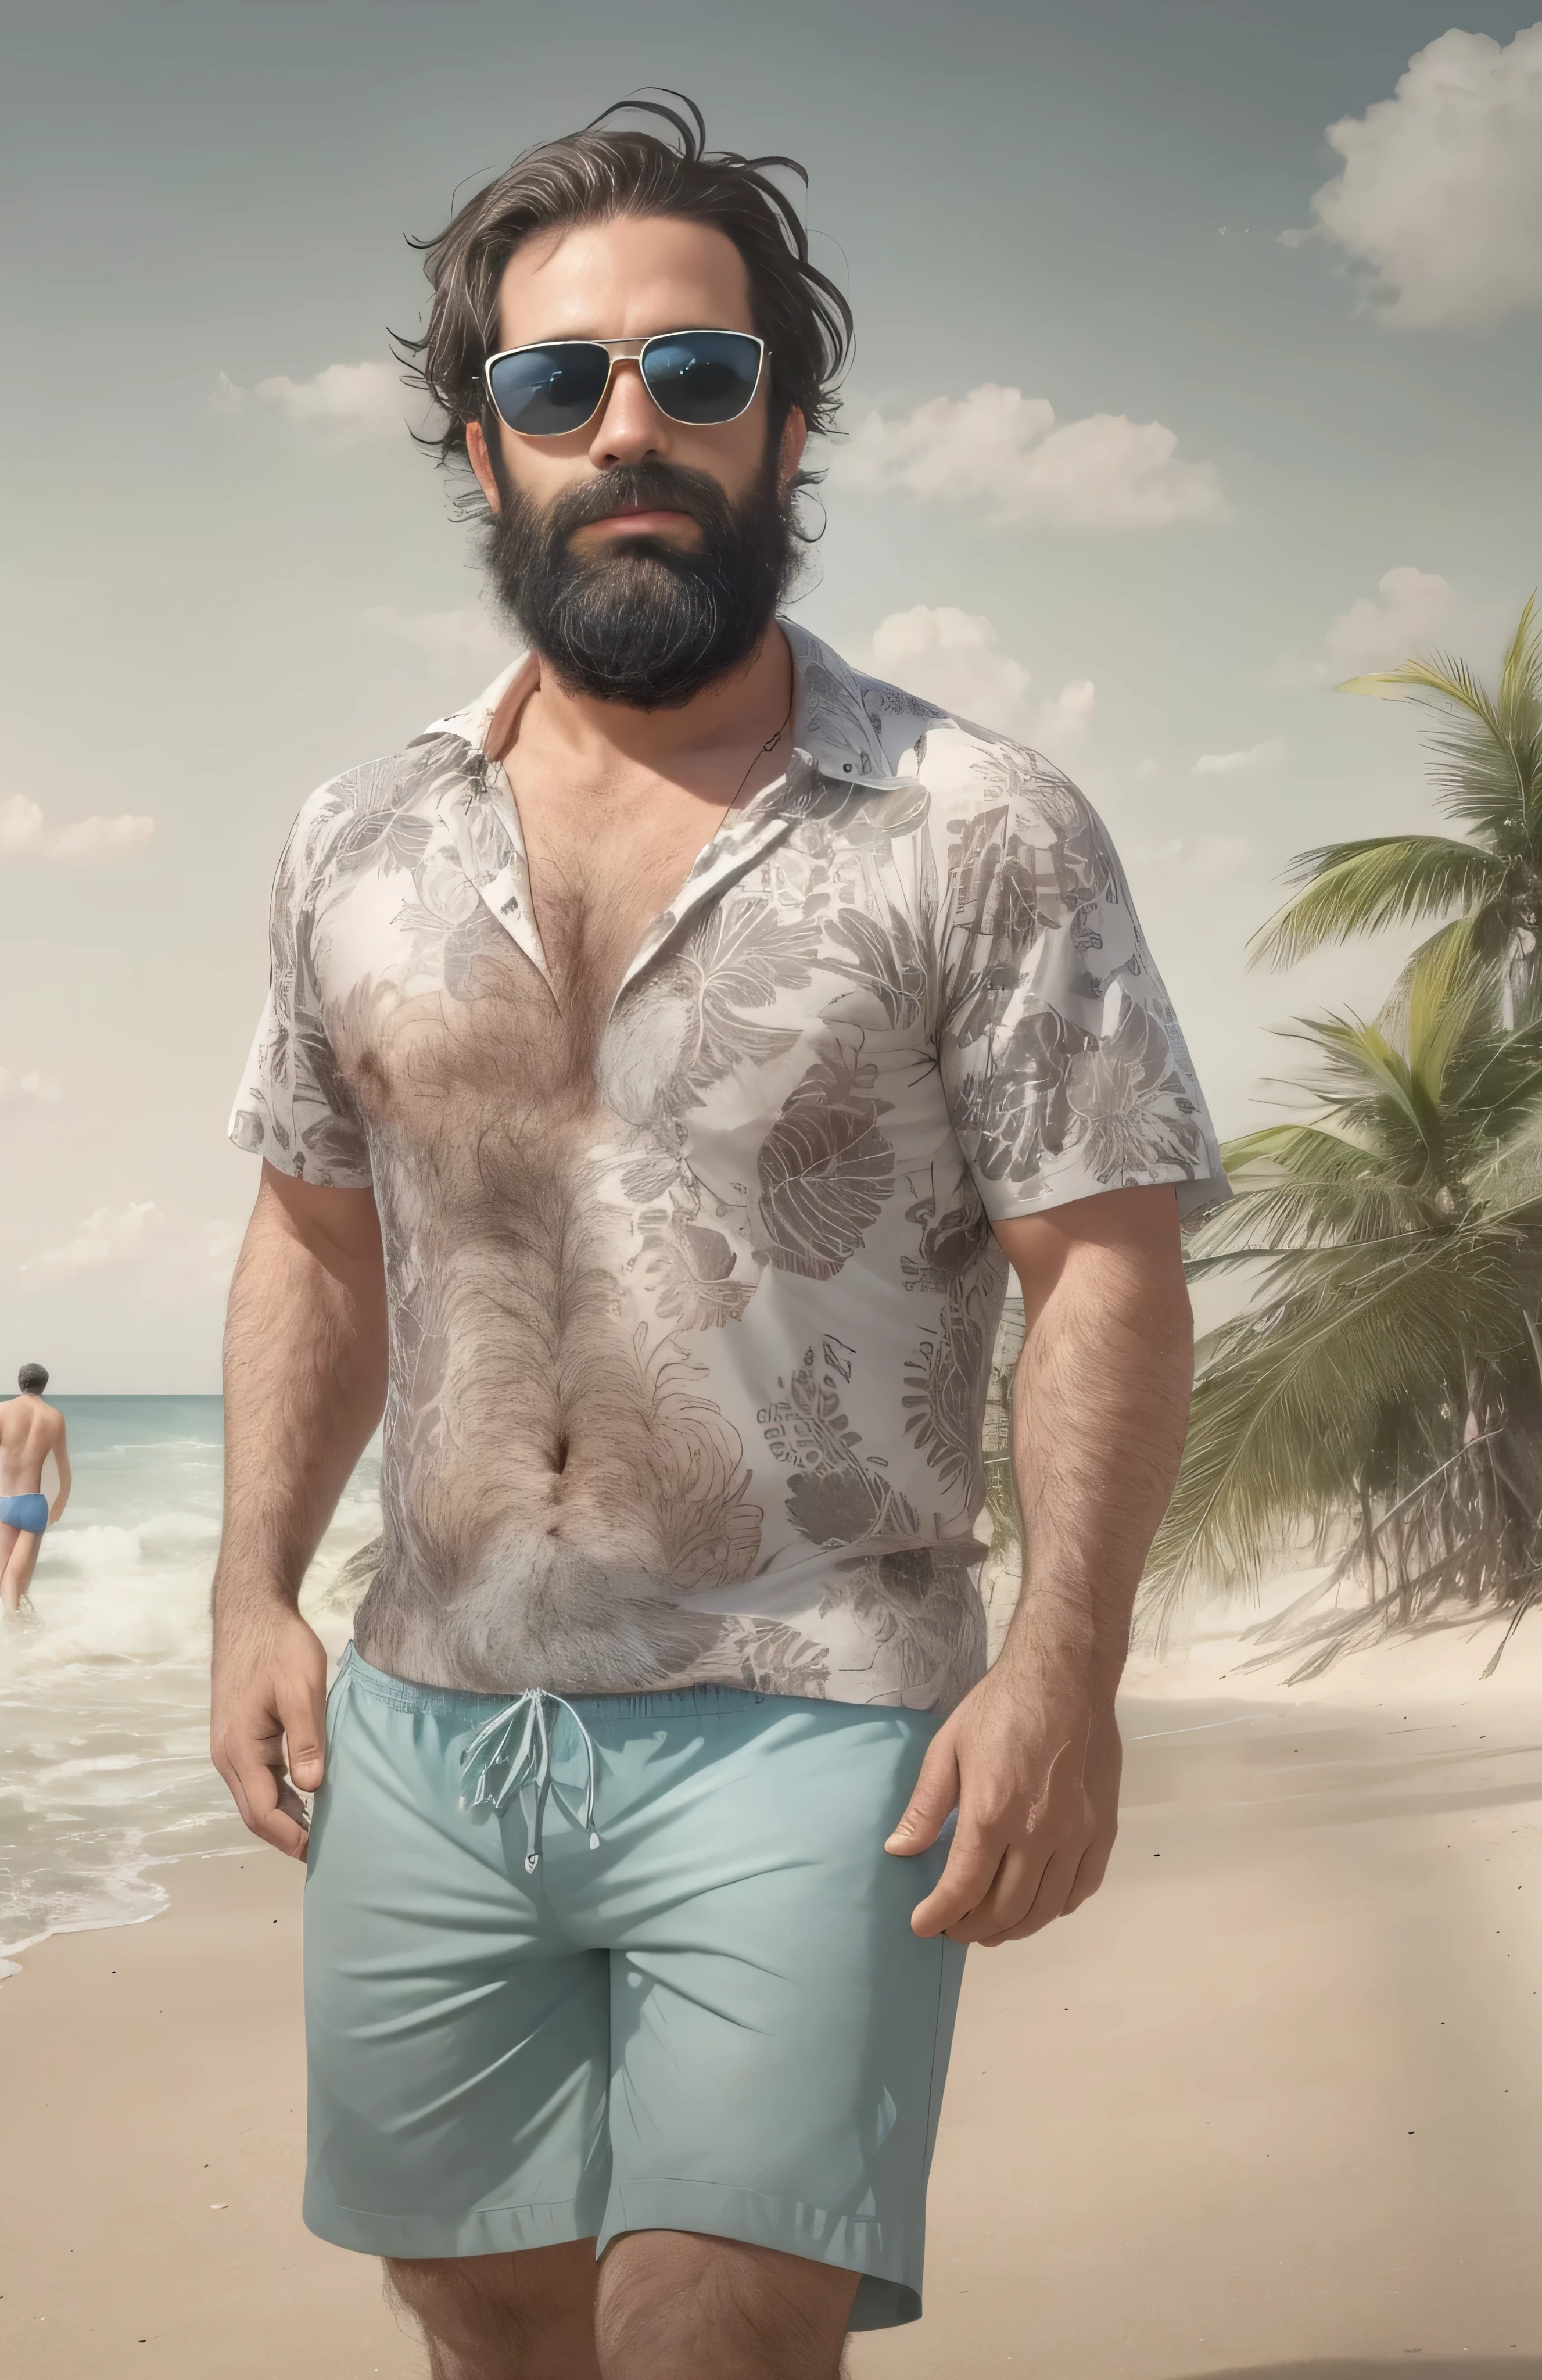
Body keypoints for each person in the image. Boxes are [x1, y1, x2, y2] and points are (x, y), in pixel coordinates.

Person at [211, 96, 1223, 2380]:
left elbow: (1106, 1263)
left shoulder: (976, 829)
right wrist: (248, 1586)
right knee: (479, 2310)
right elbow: (312, 1230)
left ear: (788, 422)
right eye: (561, 386)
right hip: (429, 1719)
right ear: (482, 453)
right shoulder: (355, 835)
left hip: (815, 1712)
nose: (631, 428)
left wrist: (1065, 1660)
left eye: (698, 372)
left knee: (707, 2334)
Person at [0, 1362, 70, 1614]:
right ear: (44, 1386)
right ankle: (26, 1633)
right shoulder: (55, 1417)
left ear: (20, 1383)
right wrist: (57, 1510)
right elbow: (65, 1474)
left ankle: (13, 1630)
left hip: (5, 1503)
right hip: (36, 1506)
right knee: (19, 1584)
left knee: (7, 1580)